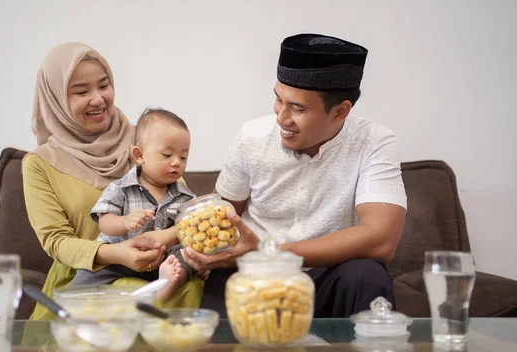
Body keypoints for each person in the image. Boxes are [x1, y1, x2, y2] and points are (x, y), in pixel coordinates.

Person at [182, 33, 407, 318]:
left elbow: (381, 239)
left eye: (297, 109)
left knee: (366, 275)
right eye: (279, 100)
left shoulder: (374, 141)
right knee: (225, 288)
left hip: (328, 275)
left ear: (340, 111)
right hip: (254, 275)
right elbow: (223, 215)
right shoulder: (252, 137)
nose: (281, 118)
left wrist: (269, 251)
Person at [23, 42, 203, 320]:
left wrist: (165, 239)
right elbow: (56, 241)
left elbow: (187, 214)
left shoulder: (146, 138)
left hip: (162, 277)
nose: (97, 99)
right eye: (81, 91)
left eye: (104, 86)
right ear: (56, 98)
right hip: (89, 281)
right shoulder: (39, 164)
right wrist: (115, 253)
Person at [71, 107, 205, 301]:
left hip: (161, 260)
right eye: (167, 155)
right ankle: (73, 303)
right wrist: (124, 222)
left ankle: (168, 280)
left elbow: (190, 230)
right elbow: (104, 222)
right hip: (121, 258)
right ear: (139, 155)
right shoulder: (121, 188)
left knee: (188, 251)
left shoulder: (185, 197)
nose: (176, 162)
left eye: (183, 157)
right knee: (89, 271)